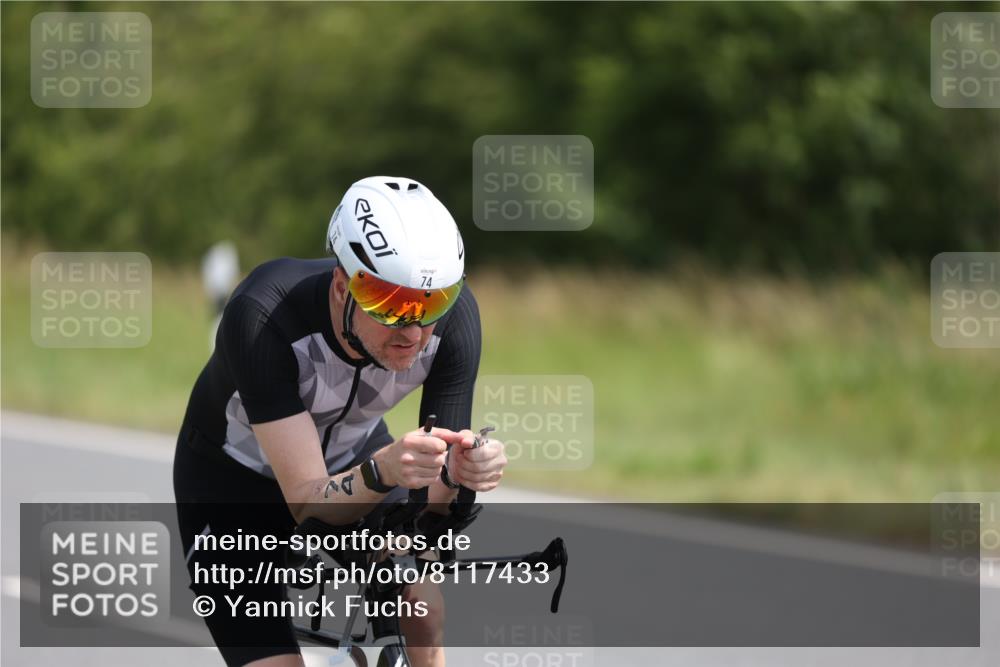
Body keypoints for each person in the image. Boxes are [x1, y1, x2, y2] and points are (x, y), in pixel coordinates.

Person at [173, 176, 508, 667]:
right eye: (391, 304)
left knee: (421, 605)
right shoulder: (262, 315)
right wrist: (383, 472)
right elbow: (309, 504)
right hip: (232, 483)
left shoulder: (456, 322)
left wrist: (460, 477)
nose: (412, 331)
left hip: (356, 457)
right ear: (341, 286)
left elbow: (432, 513)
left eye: (431, 302)